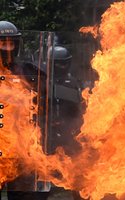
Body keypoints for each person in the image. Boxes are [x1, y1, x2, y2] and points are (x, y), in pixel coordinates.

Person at [0, 20, 49, 200]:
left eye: (10, 43)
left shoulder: (28, 73)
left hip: (20, 152)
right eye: (2, 43)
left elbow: (40, 108)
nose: (7, 48)